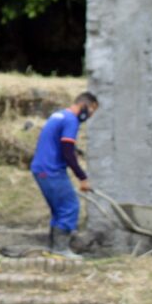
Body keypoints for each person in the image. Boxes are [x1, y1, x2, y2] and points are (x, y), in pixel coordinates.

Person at [29, 92, 98, 259]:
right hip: (51, 170)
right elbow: (67, 152)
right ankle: (61, 249)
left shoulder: (58, 115)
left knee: (59, 210)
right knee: (70, 206)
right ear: (84, 105)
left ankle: (54, 248)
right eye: (91, 110)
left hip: (41, 168)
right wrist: (82, 177)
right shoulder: (71, 120)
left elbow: (59, 143)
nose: (89, 115)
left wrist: (76, 151)